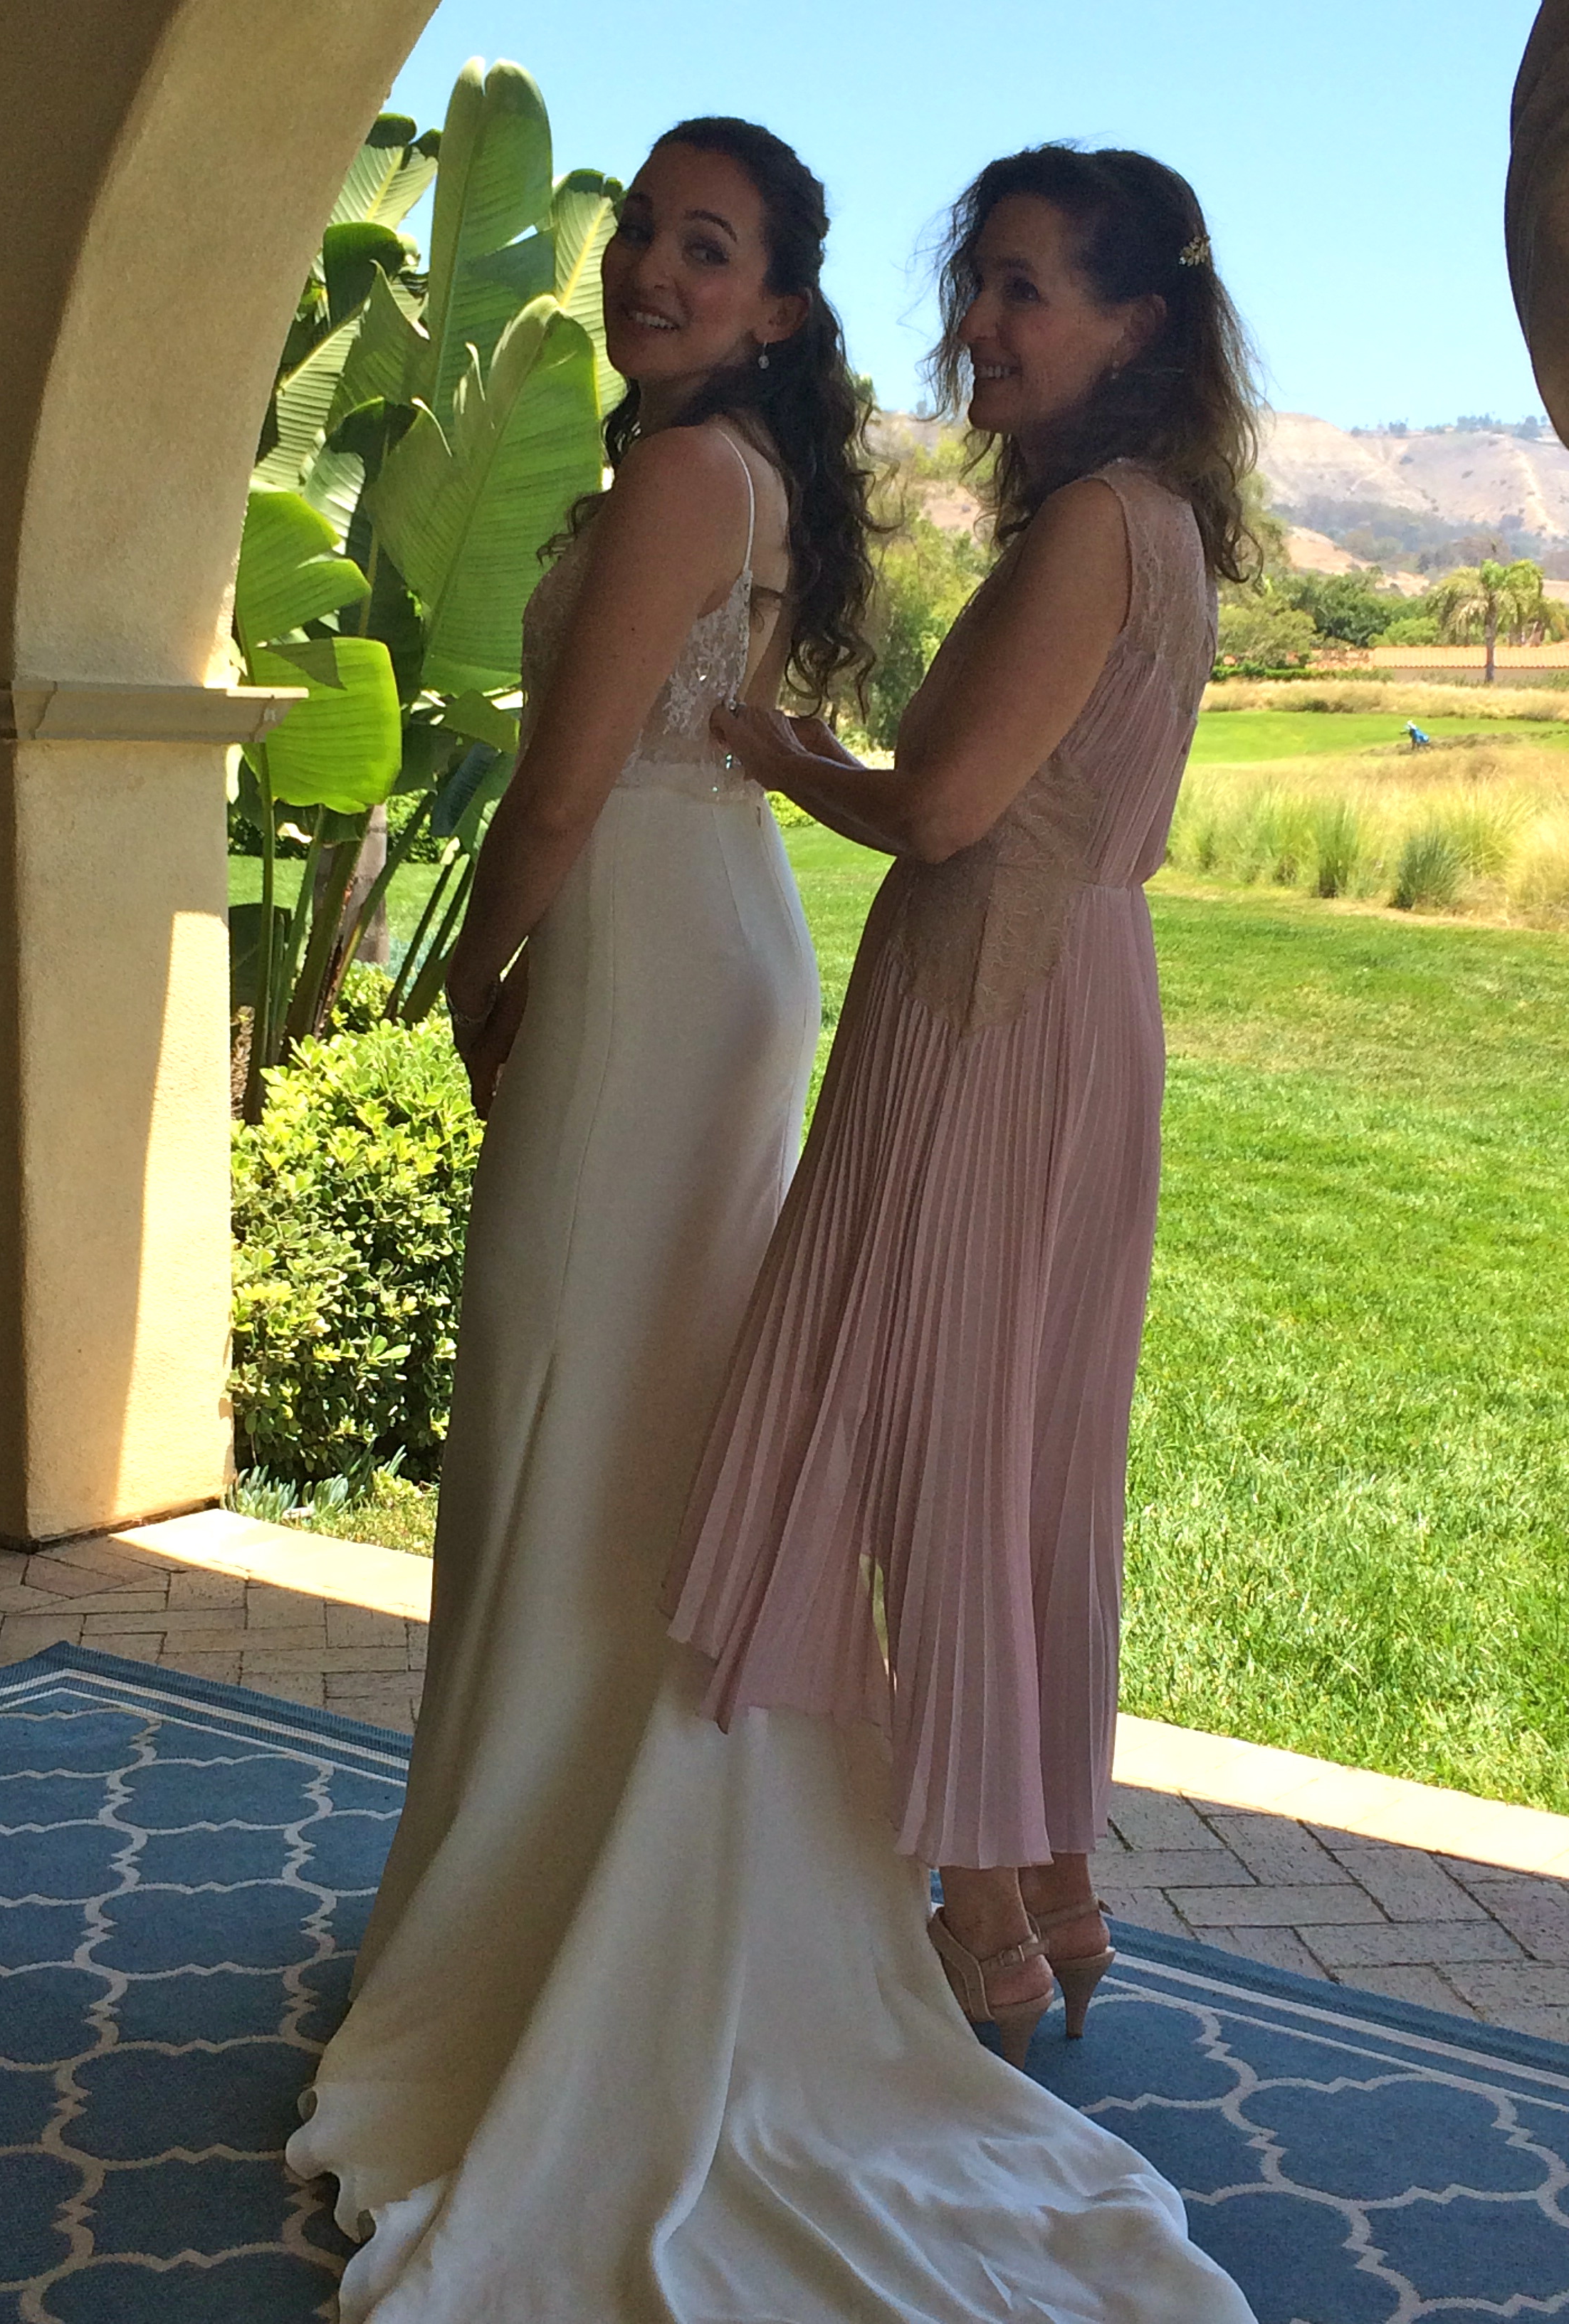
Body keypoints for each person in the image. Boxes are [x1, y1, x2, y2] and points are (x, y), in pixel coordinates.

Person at [287, 126, 1255, 2324]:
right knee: (772, 1419)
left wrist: (495, 958)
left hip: (804, 981)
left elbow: (691, 790)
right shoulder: (1081, 513)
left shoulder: (824, 496)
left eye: (1025, 288)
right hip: (860, 970)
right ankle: (991, 1889)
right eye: (638, 229)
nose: (648, 265)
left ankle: (848, 1900)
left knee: (711, 1421)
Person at [671, 145, 1259, 2071]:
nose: (981, 325)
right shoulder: (1157, 522)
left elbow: (941, 811)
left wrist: (777, 749)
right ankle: (1052, 1887)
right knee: (1017, 1447)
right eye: (976, 284)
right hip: (1074, 992)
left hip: (989, 1004)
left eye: (1023, 290)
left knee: (945, 1439)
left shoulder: (1092, 524)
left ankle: (992, 1922)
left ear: (1134, 326)